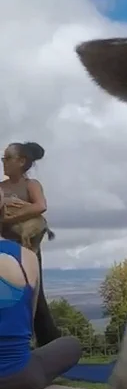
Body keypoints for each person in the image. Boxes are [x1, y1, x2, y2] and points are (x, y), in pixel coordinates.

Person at [0, 237, 81, 389]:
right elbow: (30, 320)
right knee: (72, 345)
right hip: (21, 376)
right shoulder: (28, 257)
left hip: (21, 373)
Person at [1, 142, 61, 346]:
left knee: (34, 297)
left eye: (7, 158)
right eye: (3, 158)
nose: (3, 162)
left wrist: (11, 214)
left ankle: (49, 343)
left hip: (28, 249)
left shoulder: (31, 185)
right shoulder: (1, 187)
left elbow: (41, 206)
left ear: (21, 161)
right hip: (5, 251)